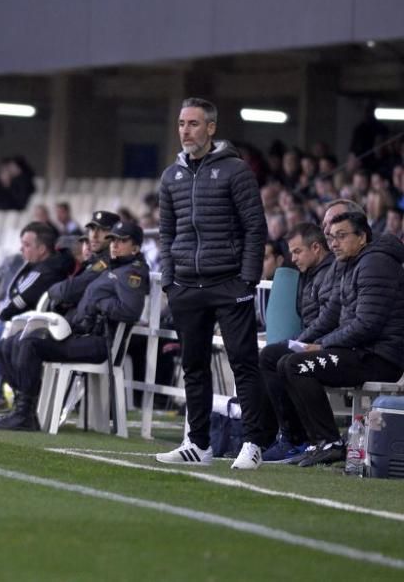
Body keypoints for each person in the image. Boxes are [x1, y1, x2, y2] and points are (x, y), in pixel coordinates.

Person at [155, 97, 269, 470]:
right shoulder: (170, 176)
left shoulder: (236, 170)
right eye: (181, 123)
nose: (185, 130)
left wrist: (247, 278)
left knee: (243, 363)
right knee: (193, 366)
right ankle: (198, 443)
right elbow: (166, 232)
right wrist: (171, 281)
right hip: (186, 285)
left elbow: (256, 227)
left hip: (228, 283)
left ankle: (253, 442)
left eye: (193, 123)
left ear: (211, 128)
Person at [0, 220, 150, 431]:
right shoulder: (114, 266)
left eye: (122, 241)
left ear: (136, 247)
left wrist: (99, 303)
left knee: (29, 344)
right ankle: (24, 407)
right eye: (113, 240)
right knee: (8, 344)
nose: (115, 244)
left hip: (99, 342)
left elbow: (130, 311)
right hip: (81, 334)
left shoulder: (132, 273)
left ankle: (24, 413)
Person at [281, 211, 404, 467]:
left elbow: (367, 324)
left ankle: (330, 442)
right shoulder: (351, 262)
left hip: (378, 357)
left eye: (342, 236)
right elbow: (332, 317)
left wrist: (324, 345)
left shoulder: (375, 263)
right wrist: (305, 342)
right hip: (359, 351)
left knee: (297, 366)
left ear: (362, 237)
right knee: (285, 361)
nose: (334, 243)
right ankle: (316, 442)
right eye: (331, 237)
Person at [0, 222, 73, 409]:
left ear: (42, 249)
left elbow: (20, 299)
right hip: (21, 322)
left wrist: (2, 313)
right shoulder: (38, 266)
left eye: (27, 244)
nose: (21, 248)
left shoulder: (45, 271)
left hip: (30, 328)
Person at [258, 222, 334, 463]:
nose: (293, 258)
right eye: (291, 252)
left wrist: (302, 341)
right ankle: (288, 436)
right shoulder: (309, 274)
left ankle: (296, 437)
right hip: (313, 339)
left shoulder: (331, 273)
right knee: (271, 355)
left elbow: (329, 318)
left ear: (316, 248)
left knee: (275, 358)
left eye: (298, 251)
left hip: (328, 344)